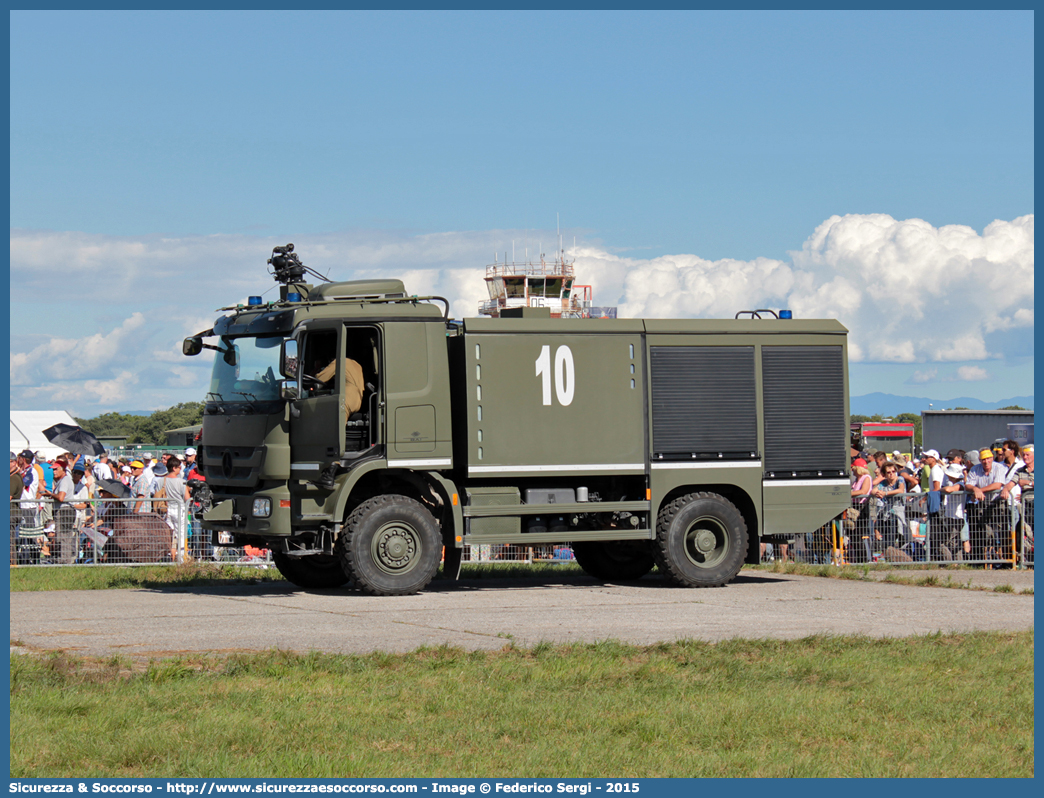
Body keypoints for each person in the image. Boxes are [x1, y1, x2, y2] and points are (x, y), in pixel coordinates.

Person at [965, 448, 1006, 563]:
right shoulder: (974, 469)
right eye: (983, 459)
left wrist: (979, 491)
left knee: (998, 532)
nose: (986, 461)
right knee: (984, 533)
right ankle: (984, 559)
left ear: (992, 458)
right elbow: (968, 485)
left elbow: (997, 485)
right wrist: (974, 489)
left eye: (988, 458)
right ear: (980, 460)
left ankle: (1001, 559)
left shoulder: (999, 468)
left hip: (997, 503)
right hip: (982, 505)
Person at [44, 458, 77, 565]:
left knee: (63, 537)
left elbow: (61, 497)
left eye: (56, 469)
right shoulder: (62, 481)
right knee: (61, 536)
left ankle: (65, 561)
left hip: (65, 511)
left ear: (63, 469)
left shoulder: (65, 481)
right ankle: (63, 559)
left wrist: (51, 494)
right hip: (64, 510)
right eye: (53, 470)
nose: (54, 472)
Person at [872, 462, 907, 553]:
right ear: (884, 474)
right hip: (887, 514)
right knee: (888, 539)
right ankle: (889, 556)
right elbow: (873, 491)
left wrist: (885, 493)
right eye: (888, 472)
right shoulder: (883, 483)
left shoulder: (900, 479)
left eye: (893, 471)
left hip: (899, 514)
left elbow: (900, 490)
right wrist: (878, 493)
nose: (891, 474)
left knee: (902, 539)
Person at [161, 456, 191, 558]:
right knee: (181, 534)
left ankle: (169, 555)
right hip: (180, 509)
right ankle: (182, 557)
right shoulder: (181, 481)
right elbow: (187, 498)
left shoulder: (163, 480)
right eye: (179, 467)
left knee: (170, 534)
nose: (180, 469)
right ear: (174, 468)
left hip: (168, 509)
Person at [848, 460, 873, 563]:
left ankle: (862, 561)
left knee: (858, 536)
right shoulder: (856, 480)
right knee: (853, 537)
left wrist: (848, 493)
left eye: (853, 468)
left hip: (861, 509)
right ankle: (857, 560)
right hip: (855, 507)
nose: (852, 471)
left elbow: (863, 491)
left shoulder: (866, 478)